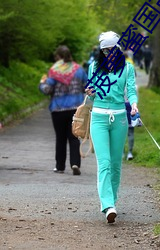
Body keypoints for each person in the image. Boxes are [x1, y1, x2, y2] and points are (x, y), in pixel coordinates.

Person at [85, 31, 138, 223]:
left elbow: (131, 90)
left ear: (118, 48)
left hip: (120, 118)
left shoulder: (127, 69)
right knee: (104, 163)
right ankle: (107, 205)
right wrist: (89, 92)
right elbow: (90, 96)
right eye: (105, 51)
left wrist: (134, 104)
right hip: (98, 117)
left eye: (111, 50)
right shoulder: (94, 67)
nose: (108, 53)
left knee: (116, 164)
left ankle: (112, 201)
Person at [39, 45, 87, 175]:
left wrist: (42, 83)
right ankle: (75, 163)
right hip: (75, 109)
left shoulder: (54, 71)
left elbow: (47, 90)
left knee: (60, 138)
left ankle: (60, 167)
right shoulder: (79, 69)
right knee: (74, 136)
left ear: (58, 57)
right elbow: (86, 86)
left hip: (58, 109)